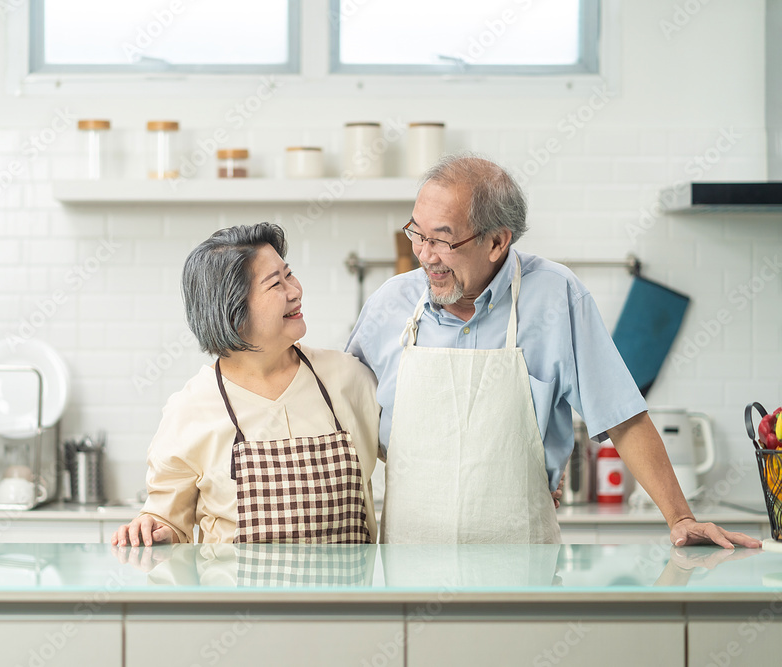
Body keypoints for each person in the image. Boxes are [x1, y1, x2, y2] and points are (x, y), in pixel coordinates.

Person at [347, 154, 760, 548]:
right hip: (409, 568)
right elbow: (344, 413)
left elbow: (622, 417)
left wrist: (681, 518)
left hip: (522, 566)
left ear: (496, 242)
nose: (424, 254)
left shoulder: (556, 296)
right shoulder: (391, 303)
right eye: (417, 233)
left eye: (441, 240)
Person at [113, 223, 381, 546]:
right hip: (240, 600)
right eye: (275, 284)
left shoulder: (349, 379)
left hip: (349, 599)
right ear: (234, 312)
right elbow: (167, 521)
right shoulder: (190, 410)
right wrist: (153, 530)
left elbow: (409, 457)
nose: (295, 290)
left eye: (289, 274)